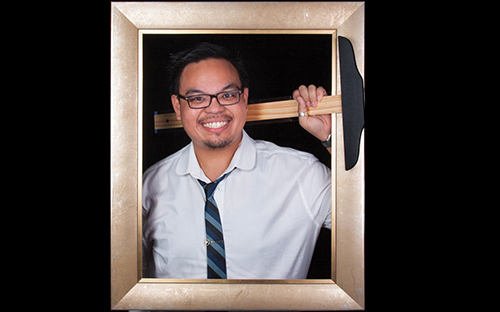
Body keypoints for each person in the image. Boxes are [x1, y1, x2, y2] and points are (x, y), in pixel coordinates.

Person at [142, 42, 333, 279]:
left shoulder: (303, 175)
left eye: (228, 95)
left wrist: (332, 137)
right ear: (177, 107)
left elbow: (360, 222)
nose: (214, 109)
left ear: (245, 99)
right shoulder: (147, 186)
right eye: (197, 98)